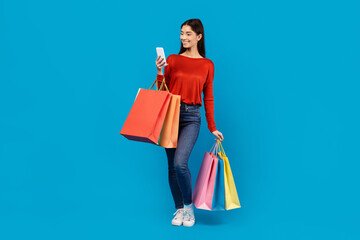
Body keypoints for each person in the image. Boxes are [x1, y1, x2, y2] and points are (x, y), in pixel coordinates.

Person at [155, 19, 224, 227]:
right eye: (181, 33)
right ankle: (179, 209)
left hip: (192, 116)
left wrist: (212, 126)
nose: (183, 37)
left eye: (187, 34)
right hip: (171, 114)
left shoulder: (207, 65)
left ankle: (188, 206)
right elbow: (161, 91)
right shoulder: (173, 60)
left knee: (180, 162)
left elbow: (208, 98)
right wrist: (159, 71)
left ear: (199, 37)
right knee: (171, 166)